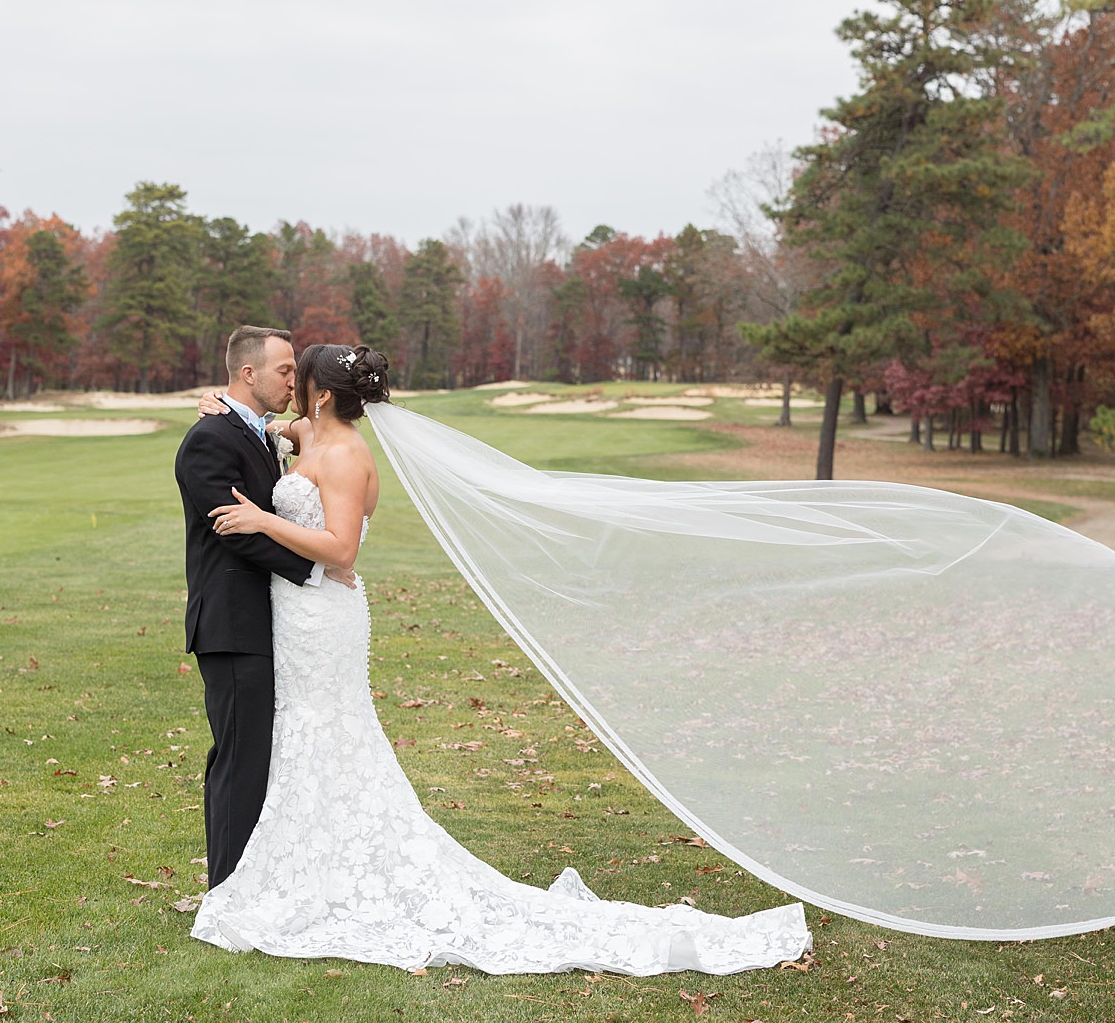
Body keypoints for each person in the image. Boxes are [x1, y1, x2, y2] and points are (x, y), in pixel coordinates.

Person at [186, 343, 813, 974]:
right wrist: (227, 406)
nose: (291, 388)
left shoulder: (346, 454)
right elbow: (269, 427)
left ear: (322, 394)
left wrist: (262, 521)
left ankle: (321, 877)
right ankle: (300, 867)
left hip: (324, 616)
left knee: (328, 729)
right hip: (296, 617)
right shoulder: (309, 435)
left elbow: (342, 550)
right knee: (300, 734)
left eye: (298, 378)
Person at [173, 326, 346, 891]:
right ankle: (227, 894)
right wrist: (316, 569)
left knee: (262, 757)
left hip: (269, 620)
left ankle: (257, 883)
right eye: (284, 370)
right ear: (248, 374)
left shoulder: (259, 429)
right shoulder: (209, 439)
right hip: (232, 623)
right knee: (240, 760)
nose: (294, 380)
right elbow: (235, 531)